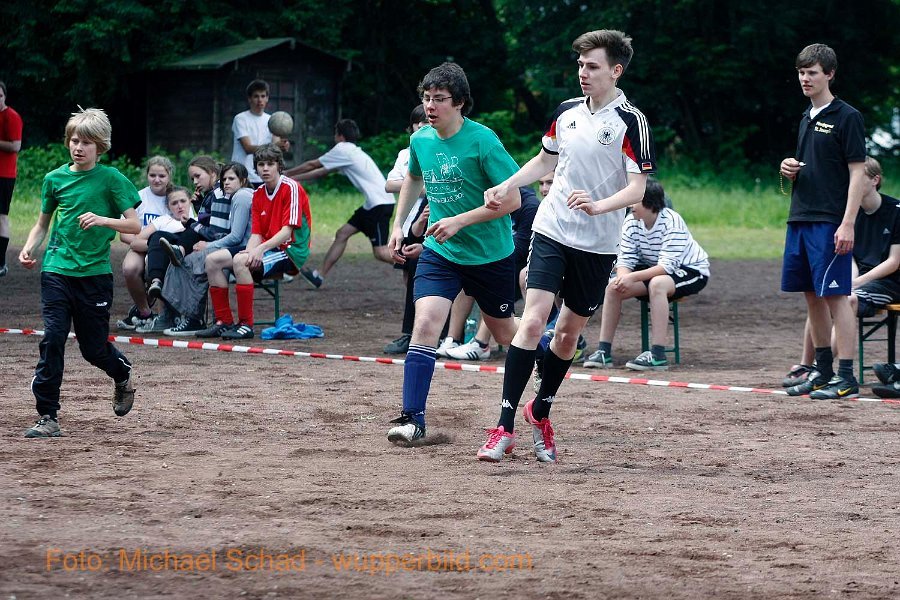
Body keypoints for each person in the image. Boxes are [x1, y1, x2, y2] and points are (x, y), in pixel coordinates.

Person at [477, 29, 656, 463]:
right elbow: (545, 159)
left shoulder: (631, 121)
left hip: (598, 243)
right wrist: (507, 184)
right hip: (552, 228)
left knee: (567, 334)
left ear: (616, 70)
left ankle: (540, 411)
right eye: (580, 65)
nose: (583, 73)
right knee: (533, 321)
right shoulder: (566, 112)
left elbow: (638, 189)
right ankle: (503, 428)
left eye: (592, 66)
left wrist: (598, 206)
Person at [385, 62, 522, 445]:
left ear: (459, 102)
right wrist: (398, 225)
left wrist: (460, 221)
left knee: (505, 333)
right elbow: (413, 177)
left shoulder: (483, 141)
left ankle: (543, 349)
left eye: (440, 99)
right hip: (440, 251)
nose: (431, 106)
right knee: (426, 323)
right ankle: (412, 419)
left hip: (491, 255)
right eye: (426, 98)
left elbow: (514, 199)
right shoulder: (421, 140)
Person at [18, 107, 141, 438]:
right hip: (56, 270)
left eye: (86, 142)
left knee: (93, 349)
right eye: (74, 140)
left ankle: (122, 374)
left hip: (94, 275)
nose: (78, 147)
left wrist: (103, 220)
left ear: (100, 146)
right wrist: (29, 247)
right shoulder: (54, 179)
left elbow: (135, 225)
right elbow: (42, 224)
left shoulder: (112, 179)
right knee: (53, 337)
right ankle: (48, 415)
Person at [780, 43, 867, 400]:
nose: (805, 78)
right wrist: (788, 170)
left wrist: (848, 223)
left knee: (836, 296)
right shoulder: (807, 116)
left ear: (829, 74)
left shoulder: (847, 116)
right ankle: (823, 372)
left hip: (830, 221)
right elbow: (812, 167)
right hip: (800, 217)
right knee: (812, 296)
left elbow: (858, 172)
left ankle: (846, 377)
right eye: (801, 72)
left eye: (812, 72)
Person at [784, 157, 900, 387]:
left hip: (890, 282)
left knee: (849, 299)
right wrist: (851, 279)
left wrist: (857, 282)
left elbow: (894, 262)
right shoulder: (849, 214)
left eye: (857, 177)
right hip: (861, 278)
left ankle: (821, 368)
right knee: (822, 296)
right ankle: (807, 365)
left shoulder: (896, 211)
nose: (850, 183)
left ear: (875, 180)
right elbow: (849, 255)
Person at [586, 179, 709, 371]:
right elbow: (625, 259)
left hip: (691, 270)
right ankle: (603, 352)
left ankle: (658, 355)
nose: (630, 205)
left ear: (649, 203)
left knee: (657, 284)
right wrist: (623, 277)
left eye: (634, 200)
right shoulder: (631, 221)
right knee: (613, 287)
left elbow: (666, 267)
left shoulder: (671, 221)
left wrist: (632, 277)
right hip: (654, 270)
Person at [206, 143, 312, 340]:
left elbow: (287, 232)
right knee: (213, 260)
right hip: (268, 247)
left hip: (290, 250)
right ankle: (223, 322)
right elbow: (256, 234)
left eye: (270, 164)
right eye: (261, 164)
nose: (265, 168)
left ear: (279, 166)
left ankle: (245, 325)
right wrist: (250, 252)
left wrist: (257, 251)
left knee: (240, 261)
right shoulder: (259, 193)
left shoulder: (291, 188)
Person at [285, 119, 395, 287]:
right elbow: (321, 172)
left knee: (380, 252)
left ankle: (414, 265)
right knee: (342, 234)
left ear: (340, 136)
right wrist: (292, 178)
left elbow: (313, 165)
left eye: (335, 134)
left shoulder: (342, 149)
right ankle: (319, 276)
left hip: (379, 205)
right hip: (374, 204)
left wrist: (286, 173)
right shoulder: (351, 152)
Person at [445, 185, 541, 360]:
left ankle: (481, 343)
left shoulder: (529, 206)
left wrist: (488, 254)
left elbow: (521, 249)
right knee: (467, 274)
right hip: (493, 260)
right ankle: (452, 339)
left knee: (492, 276)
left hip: (517, 266)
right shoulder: (486, 202)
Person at [164, 162, 254, 336]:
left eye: (231, 179)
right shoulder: (225, 194)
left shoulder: (237, 196)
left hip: (239, 248)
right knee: (187, 259)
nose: (226, 182)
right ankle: (214, 320)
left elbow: (228, 235)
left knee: (191, 262)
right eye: (225, 179)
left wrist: (206, 242)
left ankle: (195, 319)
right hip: (232, 246)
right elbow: (215, 226)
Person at [384, 105, 430, 355]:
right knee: (407, 277)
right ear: (411, 127)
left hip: (430, 222)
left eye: (426, 122)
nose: (422, 126)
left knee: (423, 277)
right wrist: (419, 188)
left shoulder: (438, 149)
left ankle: (424, 332)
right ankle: (414, 329)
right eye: (417, 123)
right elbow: (389, 184)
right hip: (406, 223)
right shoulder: (405, 154)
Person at [116, 155, 175, 330]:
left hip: (167, 248)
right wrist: (146, 245)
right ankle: (144, 311)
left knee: (157, 265)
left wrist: (157, 248)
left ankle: (165, 315)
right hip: (140, 245)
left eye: (162, 176)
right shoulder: (138, 197)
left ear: (169, 176)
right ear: (147, 175)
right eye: (152, 175)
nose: (157, 180)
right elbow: (124, 234)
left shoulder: (176, 196)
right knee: (130, 268)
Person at [0, 81, 23, 277]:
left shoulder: (11, 116)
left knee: (1, 216)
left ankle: (1, 263)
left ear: (4, 96)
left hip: (4, 175)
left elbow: (16, 146)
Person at [232, 79, 273, 187]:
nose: (260, 100)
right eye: (256, 96)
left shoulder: (272, 120)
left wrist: (282, 146)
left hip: (264, 175)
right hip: (242, 175)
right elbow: (247, 148)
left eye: (263, 96)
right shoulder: (240, 118)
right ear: (249, 99)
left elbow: (275, 147)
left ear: (267, 98)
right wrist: (275, 146)